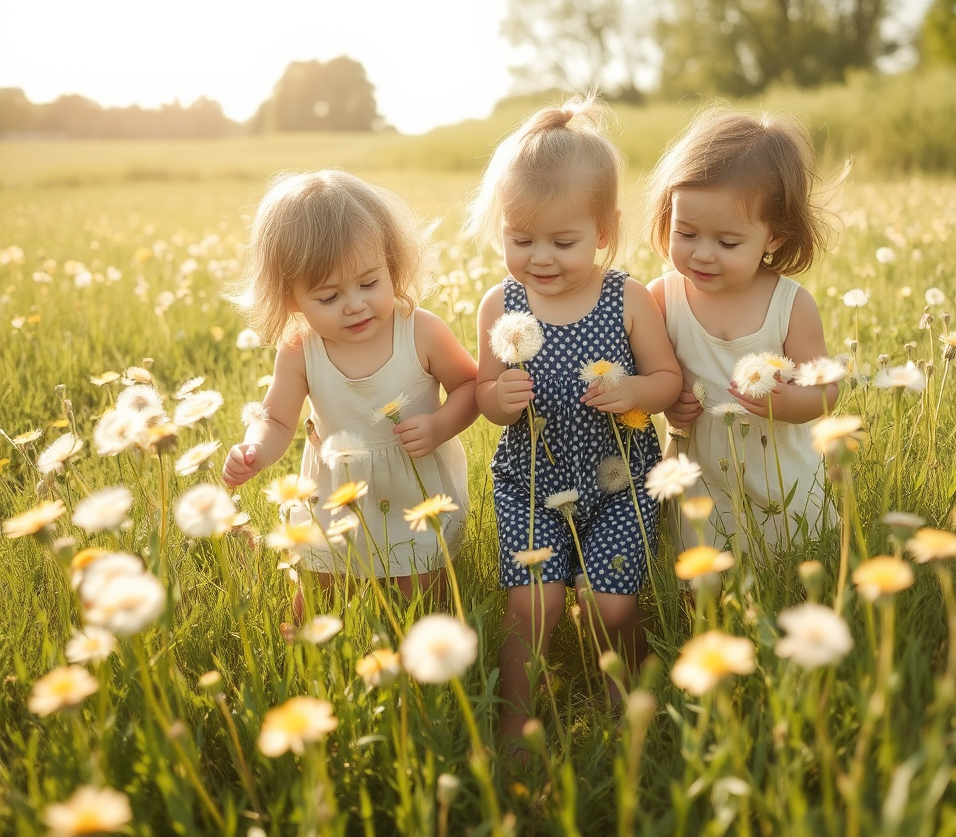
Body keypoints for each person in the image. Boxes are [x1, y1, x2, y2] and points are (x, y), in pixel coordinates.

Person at [469, 98, 682, 740]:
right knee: (534, 603)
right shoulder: (500, 304)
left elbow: (669, 382)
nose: (540, 257)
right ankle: (516, 722)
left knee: (611, 603)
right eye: (520, 238)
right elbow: (483, 395)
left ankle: (633, 697)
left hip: (619, 481)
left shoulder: (627, 298)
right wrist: (498, 399)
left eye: (563, 242)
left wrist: (635, 392)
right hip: (532, 481)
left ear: (604, 231)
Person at [222, 169, 478, 614]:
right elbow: (278, 419)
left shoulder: (420, 331)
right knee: (318, 596)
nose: (355, 304)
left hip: (413, 491)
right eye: (328, 297)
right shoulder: (301, 348)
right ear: (290, 299)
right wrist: (255, 450)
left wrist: (439, 425)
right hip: (334, 492)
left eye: (369, 283)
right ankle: (307, 653)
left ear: (392, 265)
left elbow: (471, 386)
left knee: (422, 599)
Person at [646, 107, 839, 554]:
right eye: (686, 233)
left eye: (727, 242)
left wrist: (789, 401)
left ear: (774, 238)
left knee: (785, 565)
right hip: (698, 480)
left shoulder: (790, 306)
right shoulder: (663, 297)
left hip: (777, 472)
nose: (703, 254)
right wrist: (667, 399)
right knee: (699, 578)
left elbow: (827, 389)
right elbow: (650, 374)